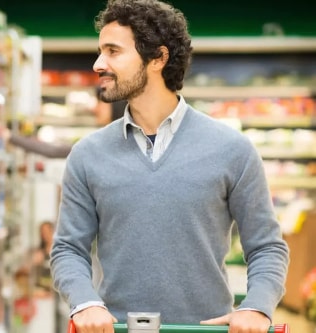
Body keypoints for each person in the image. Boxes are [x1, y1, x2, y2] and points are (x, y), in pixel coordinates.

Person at [49, 1, 290, 333]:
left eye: (113, 51)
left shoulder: (232, 150)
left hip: (208, 329)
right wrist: (85, 301)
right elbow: (68, 248)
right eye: (100, 51)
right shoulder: (87, 154)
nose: (98, 63)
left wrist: (257, 307)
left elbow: (266, 247)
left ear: (158, 59)